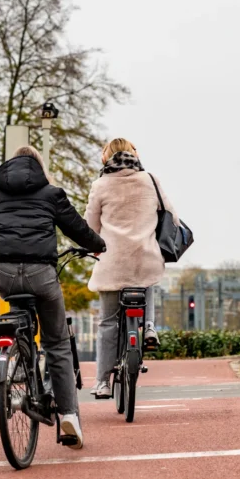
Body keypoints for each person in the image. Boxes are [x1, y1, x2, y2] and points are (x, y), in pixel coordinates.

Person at [0, 145, 105, 449]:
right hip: (41, 275)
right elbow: (77, 229)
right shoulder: (51, 193)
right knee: (57, 343)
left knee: (20, 322)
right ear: (39, 168)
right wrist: (99, 244)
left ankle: (20, 360)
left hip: (4, 276)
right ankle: (68, 416)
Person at [84, 138, 179, 399]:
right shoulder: (150, 180)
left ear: (105, 159)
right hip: (146, 258)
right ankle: (148, 325)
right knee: (146, 278)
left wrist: (93, 246)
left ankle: (102, 382)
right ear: (135, 155)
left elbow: (90, 227)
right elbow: (172, 216)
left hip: (112, 264)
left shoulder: (100, 185)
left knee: (106, 323)